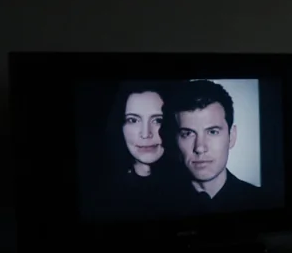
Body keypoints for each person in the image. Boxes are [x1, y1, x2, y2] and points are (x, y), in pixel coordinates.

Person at [167, 79, 267, 213]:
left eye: (212, 132)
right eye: (188, 133)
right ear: (175, 139)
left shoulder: (262, 203)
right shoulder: (155, 206)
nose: (200, 148)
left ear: (231, 137)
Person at [94, 80, 179, 218]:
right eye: (133, 120)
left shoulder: (191, 191)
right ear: (120, 126)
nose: (146, 134)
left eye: (158, 120)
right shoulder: (103, 194)